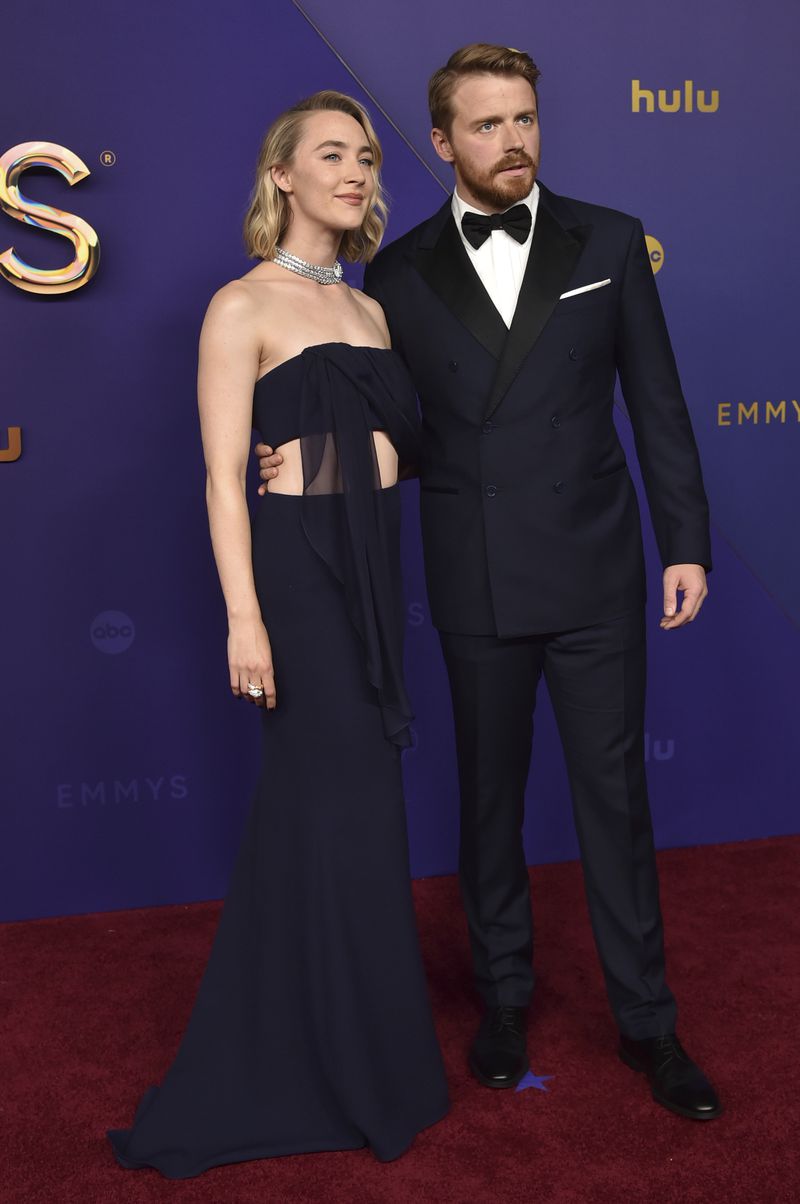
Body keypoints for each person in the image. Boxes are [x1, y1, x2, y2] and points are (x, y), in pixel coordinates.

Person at [257, 43, 722, 1122]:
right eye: (486, 125)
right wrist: (313, 466)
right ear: (439, 142)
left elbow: (656, 403)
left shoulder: (605, 239)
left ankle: (648, 1023)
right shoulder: (400, 271)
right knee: (487, 804)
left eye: (523, 120)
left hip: (597, 567)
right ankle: (501, 1001)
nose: (511, 142)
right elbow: (399, 437)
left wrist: (684, 543)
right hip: (474, 579)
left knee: (614, 803)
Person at [107, 90, 449, 1180]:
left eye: (363, 157)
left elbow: (397, 456)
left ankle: (368, 1045)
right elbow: (221, 477)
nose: (354, 172)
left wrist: (333, 463)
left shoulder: (369, 310)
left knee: (361, 812)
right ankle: (300, 1054)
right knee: (321, 799)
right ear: (282, 179)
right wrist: (243, 618)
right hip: (297, 583)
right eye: (330, 156)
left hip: (370, 569)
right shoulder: (239, 306)